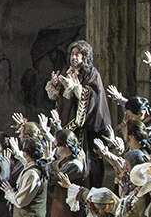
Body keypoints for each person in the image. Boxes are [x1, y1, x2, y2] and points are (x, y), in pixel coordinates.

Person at [45, 40, 113, 187]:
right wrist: (55, 86)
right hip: (66, 120)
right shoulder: (66, 71)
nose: (73, 57)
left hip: (84, 127)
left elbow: (94, 96)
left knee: (86, 162)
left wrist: (76, 88)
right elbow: (59, 96)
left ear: (85, 57)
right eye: (72, 54)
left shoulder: (91, 74)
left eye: (78, 54)